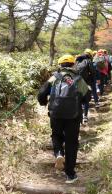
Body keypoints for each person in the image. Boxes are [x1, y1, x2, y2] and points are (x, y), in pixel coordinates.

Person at [37, 54, 90, 183]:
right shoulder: (78, 79)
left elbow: (41, 94)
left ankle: (59, 153)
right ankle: (70, 175)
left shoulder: (54, 78)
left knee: (56, 135)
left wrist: (44, 102)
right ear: (73, 64)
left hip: (56, 114)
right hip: (73, 115)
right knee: (72, 142)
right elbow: (87, 97)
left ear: (60, 65)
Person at [75, 48, 98, 123]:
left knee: (78, 100)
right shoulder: (89, 61)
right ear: (90, 55)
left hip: (77, 83)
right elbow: (93, 72)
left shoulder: (77, 60)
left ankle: (79, 116)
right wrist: (93, 82)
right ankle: (85, 116)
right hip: (86, 84)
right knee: (86, 100)